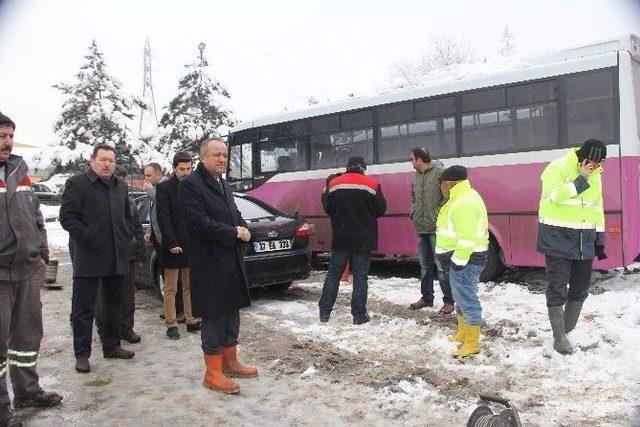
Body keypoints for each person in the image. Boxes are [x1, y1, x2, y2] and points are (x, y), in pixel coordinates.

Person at [178, 137, 257, 395]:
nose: (222, 159)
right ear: (203, 158)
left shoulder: (223, 184)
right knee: (214, 314)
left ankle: (229, 361)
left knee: (231, 310)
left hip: (229, 259)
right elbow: (197, 223)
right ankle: (212, 372)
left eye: (225, 154)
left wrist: (245, 228)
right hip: (208, 261)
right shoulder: (191, 185)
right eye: (216, 155)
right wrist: (233, 232)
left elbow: (234, 213)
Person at [0, 112, 63, 426]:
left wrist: (41, 250)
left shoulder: (19, 172)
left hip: (26, 269)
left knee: (27, 336)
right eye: (1, 136)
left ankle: (26, 390)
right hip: (0, 275)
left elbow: (35, 215)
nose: (8, 142)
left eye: (10, 135)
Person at [60, 144, 135, 374]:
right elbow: (67, 218)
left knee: (114, 303)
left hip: (116, 256)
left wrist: (125, 235)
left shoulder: (120, 186)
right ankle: (82, 355)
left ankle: (112, 346)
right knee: (83, 308)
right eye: (103, 159)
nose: (107, 164)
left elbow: (127, 216)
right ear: (92, 160)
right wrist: (88, 236)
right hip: (89, 257)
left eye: (111, 160)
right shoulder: (77, 184)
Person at [538, 139, 607, 355]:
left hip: (583, 239)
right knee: (558, 288)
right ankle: (559, 338)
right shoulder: (556, 168)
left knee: (580, 288)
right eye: (592, 162)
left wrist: (600, 238)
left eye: (599, 163)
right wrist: (582, 179)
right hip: (557, 238)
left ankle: (566, 330)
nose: (595, 167)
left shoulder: (596, 175)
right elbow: (555, 196)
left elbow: (597, 206)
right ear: (582, 157)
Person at [318, 156, 387, 325]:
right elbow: (381, 209)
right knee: (360, 278)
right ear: (363, 168)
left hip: (341, 237)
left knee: (333, 275)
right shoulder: (372, 184)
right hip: (364, 239)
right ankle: (358, 316)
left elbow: (328, 208)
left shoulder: (334, 184)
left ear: (347, 167)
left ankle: (324, 313)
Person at [435, 165, 488, 358]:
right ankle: (463, 333)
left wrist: (458, 262)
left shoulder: (464, 202)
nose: (440, 187)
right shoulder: (461, 197)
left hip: (465, 260)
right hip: (459, 259)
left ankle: (472, 342)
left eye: (440, 183)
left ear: (449, 183)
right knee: (460, 297)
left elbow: (466, 238)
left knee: (467, 299)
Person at [95, 167, 145, 344]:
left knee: (128, 295)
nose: (122, 183)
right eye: (120, 179)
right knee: (104, 296)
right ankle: (106, 330)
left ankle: (127, 328)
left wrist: (140, 252)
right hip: (107, 255)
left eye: (125, 180)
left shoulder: (130, 203)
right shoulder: (102, 200)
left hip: (128, 254)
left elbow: (138, 227)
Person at [156, 152, 201, 340]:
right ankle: (172, 324)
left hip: (191, 244)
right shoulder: (164, 188)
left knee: (190, 286)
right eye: (182, 169)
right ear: (174, 168)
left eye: (189, 169)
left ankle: (191, 320)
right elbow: (163, 218)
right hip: (173, 245)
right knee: (171, 288)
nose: (185, 172)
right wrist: (171, 242)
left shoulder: (195, 187)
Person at [408, 147, 454, 315]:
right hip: (421, 228)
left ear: (419, 159)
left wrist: (438, 215)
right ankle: (427, 298)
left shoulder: (441, 172)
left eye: (412, 159)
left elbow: (449, 197)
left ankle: (449, 301)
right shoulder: (415, 177)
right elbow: (412, 197)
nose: (411, 162)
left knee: (442, 267)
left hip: (437, 229)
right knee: (425, 266)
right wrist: (412, 210)